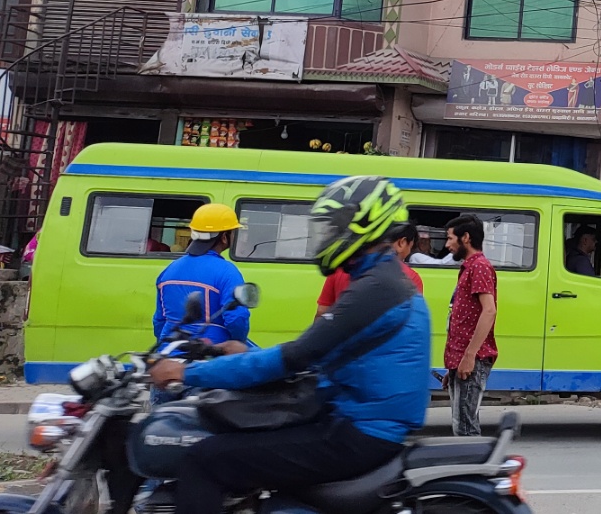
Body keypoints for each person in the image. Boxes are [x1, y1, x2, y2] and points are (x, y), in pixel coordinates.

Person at [147, 175, 431, 514]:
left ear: (366, 226)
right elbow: (317, 351)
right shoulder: (385, 281)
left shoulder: (377, 289)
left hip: (358, 431)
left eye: (336, 227)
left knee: (204, 459)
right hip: (357, 419)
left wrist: (186, 371)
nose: (328, 237)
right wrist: (244, 353)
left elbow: (297, 356)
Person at [153, 204, 250, 347]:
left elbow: (159, 320)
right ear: (224, 237)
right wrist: (237, 344)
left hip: (169, 350)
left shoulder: (169, 270)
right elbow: (236, 319)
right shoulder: (227, 271)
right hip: (211, 356)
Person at [444, 214, 498, 437]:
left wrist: (469, 356)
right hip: (461, 361)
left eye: (450, 239)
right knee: (462, 424)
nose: (447, 245)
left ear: (465, 238)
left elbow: (489, 310)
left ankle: (472, 470)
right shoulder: (469, 268)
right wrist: (454, 366)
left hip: (471, 361)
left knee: (466, 429)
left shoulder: (480, 268)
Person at [318, 222, 425, 318]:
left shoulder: (340, 269)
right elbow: (411, 319)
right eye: (410, 247)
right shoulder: (410, 277)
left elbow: (322, 312)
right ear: (402, 243)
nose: (409, 252)